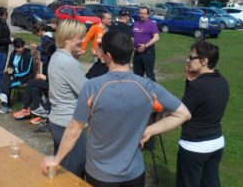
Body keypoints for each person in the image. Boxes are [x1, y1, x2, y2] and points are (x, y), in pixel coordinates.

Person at [43, 31, 191, 187]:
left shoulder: (92, 87)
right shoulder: (147, 86)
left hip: (101, 175)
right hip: (134, 174)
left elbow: (74, 130)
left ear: (107, 56)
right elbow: (183, 114)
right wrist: (150, 130)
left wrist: (56, 159)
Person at [177, 41, 229, 187]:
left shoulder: (198, 86)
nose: (188, 60)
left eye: (191, 57)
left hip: (194, 146)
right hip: (216, 143)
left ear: (204, 61)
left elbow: (183, 111)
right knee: (210, 182)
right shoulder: (222, 81)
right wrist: (190, 81)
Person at [47, 19, 87, 178]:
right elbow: (86, 91)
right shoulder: (68, 62)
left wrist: (76, 58)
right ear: (68, 39)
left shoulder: (57, 56)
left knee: (63, 170)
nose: (83, 40)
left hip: (57, 120)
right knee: (74, 174)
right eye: (80, 37)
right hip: (68, 125)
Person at [0, 38, 33, 114]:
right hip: (14, 74)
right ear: (14, 47)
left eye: (21, 47)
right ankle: (5, 98)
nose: (20, 49)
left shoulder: (28, 55)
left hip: (25, 77)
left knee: (7, 83)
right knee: (5, 75)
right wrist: (10, 69)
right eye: (17, 48)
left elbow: (27, 71)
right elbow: (10, 65)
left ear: (23, 46)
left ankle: (5, 104)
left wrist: (15, 75)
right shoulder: (13, 53)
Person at [133, 6, 160, 82]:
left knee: (150, 74)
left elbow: (156, 37)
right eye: (140, 13)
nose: (142, 15)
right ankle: (139, 91)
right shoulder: (136, 23)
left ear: (148, 15)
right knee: (137, 75)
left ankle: (154, 92)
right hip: (137, 53)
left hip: (148, 53)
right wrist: (132, 45)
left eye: (144, 14)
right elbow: (132, 36)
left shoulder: (152, 24)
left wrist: (145, 46)